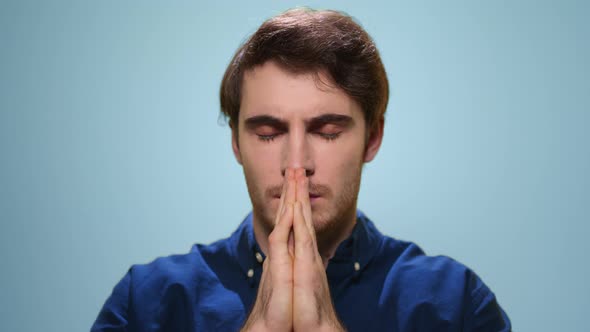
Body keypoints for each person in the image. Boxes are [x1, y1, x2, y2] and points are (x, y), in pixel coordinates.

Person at [92, 7, 511, 332]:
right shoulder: (148, 303)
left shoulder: (456, 306)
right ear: (236, 142)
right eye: (269, 133)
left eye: (326, 131)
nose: (297, 165)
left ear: (372, 138)